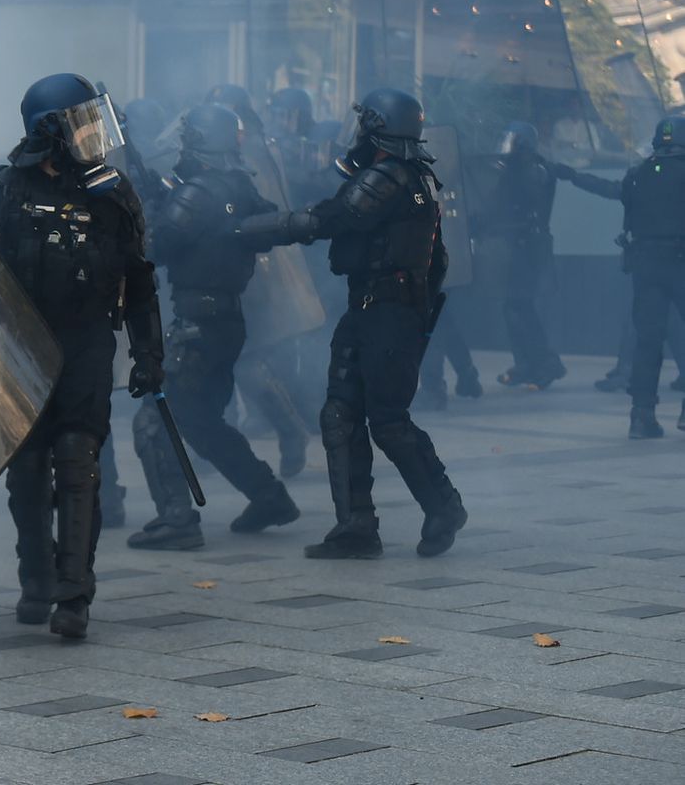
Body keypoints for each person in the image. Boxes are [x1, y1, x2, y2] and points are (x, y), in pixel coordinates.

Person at [0, 73, 162, 639]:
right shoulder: (3, 187)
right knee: (25, 473)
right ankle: (36, 578)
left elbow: (139, 279)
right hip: (20, 348)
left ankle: (74, 595)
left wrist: (148, 352)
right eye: (83, 122)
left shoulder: (111, 191)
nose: (95, 133)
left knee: (77, 465)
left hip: (86, 345)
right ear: (51, 129)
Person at [239, 89, 465, 560]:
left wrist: (250, 229)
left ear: (377, 127)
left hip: (385, 314)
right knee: (340, 414)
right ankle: (356, 526)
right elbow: (437, 260)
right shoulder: (416, 175)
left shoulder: (389, 176)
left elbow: (332, 217)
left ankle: (444, 505)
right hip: (375, 310)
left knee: (386, 420)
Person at [126, 103, 300, 552]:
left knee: (155, 419)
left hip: (198, 324)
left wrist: (146, 205)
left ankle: (177, 519)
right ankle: (268, 496)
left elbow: (152, 249)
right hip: (225, 322)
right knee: (201, 422)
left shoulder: (196, 193)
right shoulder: (239, 186)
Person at [205, 84, 315, 476]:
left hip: (248, 273)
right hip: (227, 268)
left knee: (245, 359)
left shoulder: (249, 151)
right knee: (230, 360)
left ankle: (287, 431)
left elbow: (259, 211)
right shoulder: (241, 147)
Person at [554, 118, 685, 438]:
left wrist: (573, 176)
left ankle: (641, 416)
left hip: (645, 266)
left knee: (647, 341)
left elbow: (610, 190)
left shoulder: (640, 173)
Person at [477, 122, 564, 389]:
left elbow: (518, 205)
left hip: (528, 248)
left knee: (520, 306)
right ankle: (527, 364)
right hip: (515, 247)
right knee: (513, 306)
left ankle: (546, 364)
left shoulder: (533, 171)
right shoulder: (518, 170)